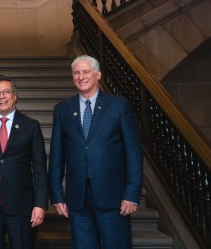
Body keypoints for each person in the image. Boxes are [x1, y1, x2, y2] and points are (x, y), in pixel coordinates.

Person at [49, 55, 143, 248]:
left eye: (86, 71)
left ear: (98, 75)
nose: (81, 76)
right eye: (76, 73)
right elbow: (57, 155)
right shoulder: (62, 110)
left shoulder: (119, 105)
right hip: (77, 199)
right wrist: (57, 194)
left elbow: (133, 153)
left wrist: (132, 193)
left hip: (113, 197)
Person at [0, 77, 48, 249]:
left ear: (15, 96)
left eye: (5, 92)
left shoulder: (31, 126)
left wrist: (40, 204)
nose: (1, 97)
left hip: (22, 207)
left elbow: (40, 169)